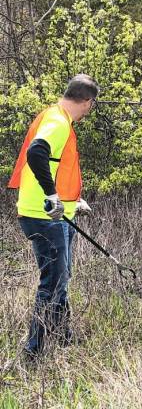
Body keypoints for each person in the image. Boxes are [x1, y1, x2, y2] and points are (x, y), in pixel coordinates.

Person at [8, 74, 99, 358]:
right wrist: (51, 195)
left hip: (53, 213)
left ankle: (63, 335)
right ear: (86, 102)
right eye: (91, 106)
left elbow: (56, 167)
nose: (89, 111)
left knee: (61, 276)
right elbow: (37, 152)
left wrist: (72, 201)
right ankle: (33, 352)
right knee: (53, 283)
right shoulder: (58, 123)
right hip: (44, 216)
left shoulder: (55, 116)